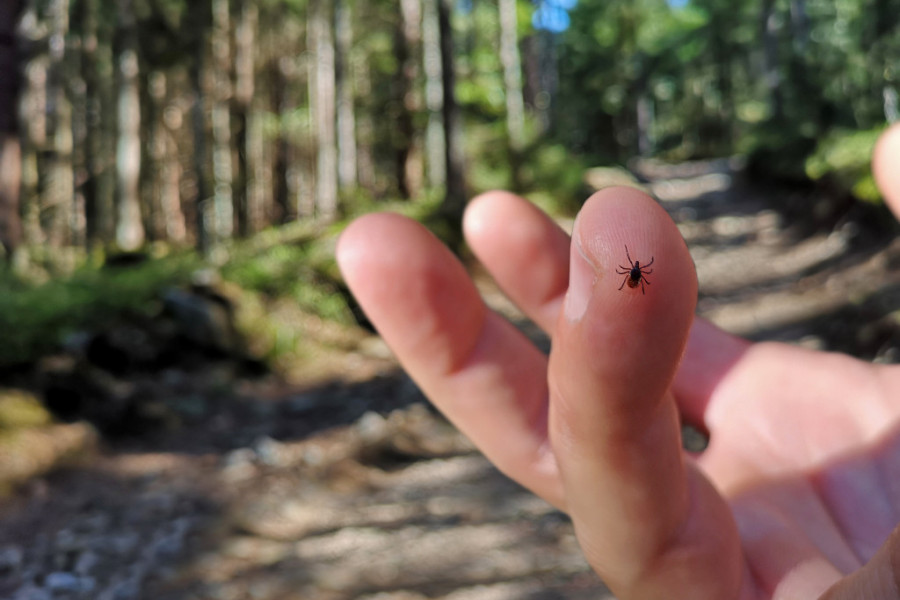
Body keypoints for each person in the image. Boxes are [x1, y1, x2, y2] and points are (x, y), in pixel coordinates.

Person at [336, 123, 900, 599]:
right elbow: (638, 272)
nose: (634, 272)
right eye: (633, 270)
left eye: (633, 270)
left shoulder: (636, 272)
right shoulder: (635, 272)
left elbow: (639, 272)